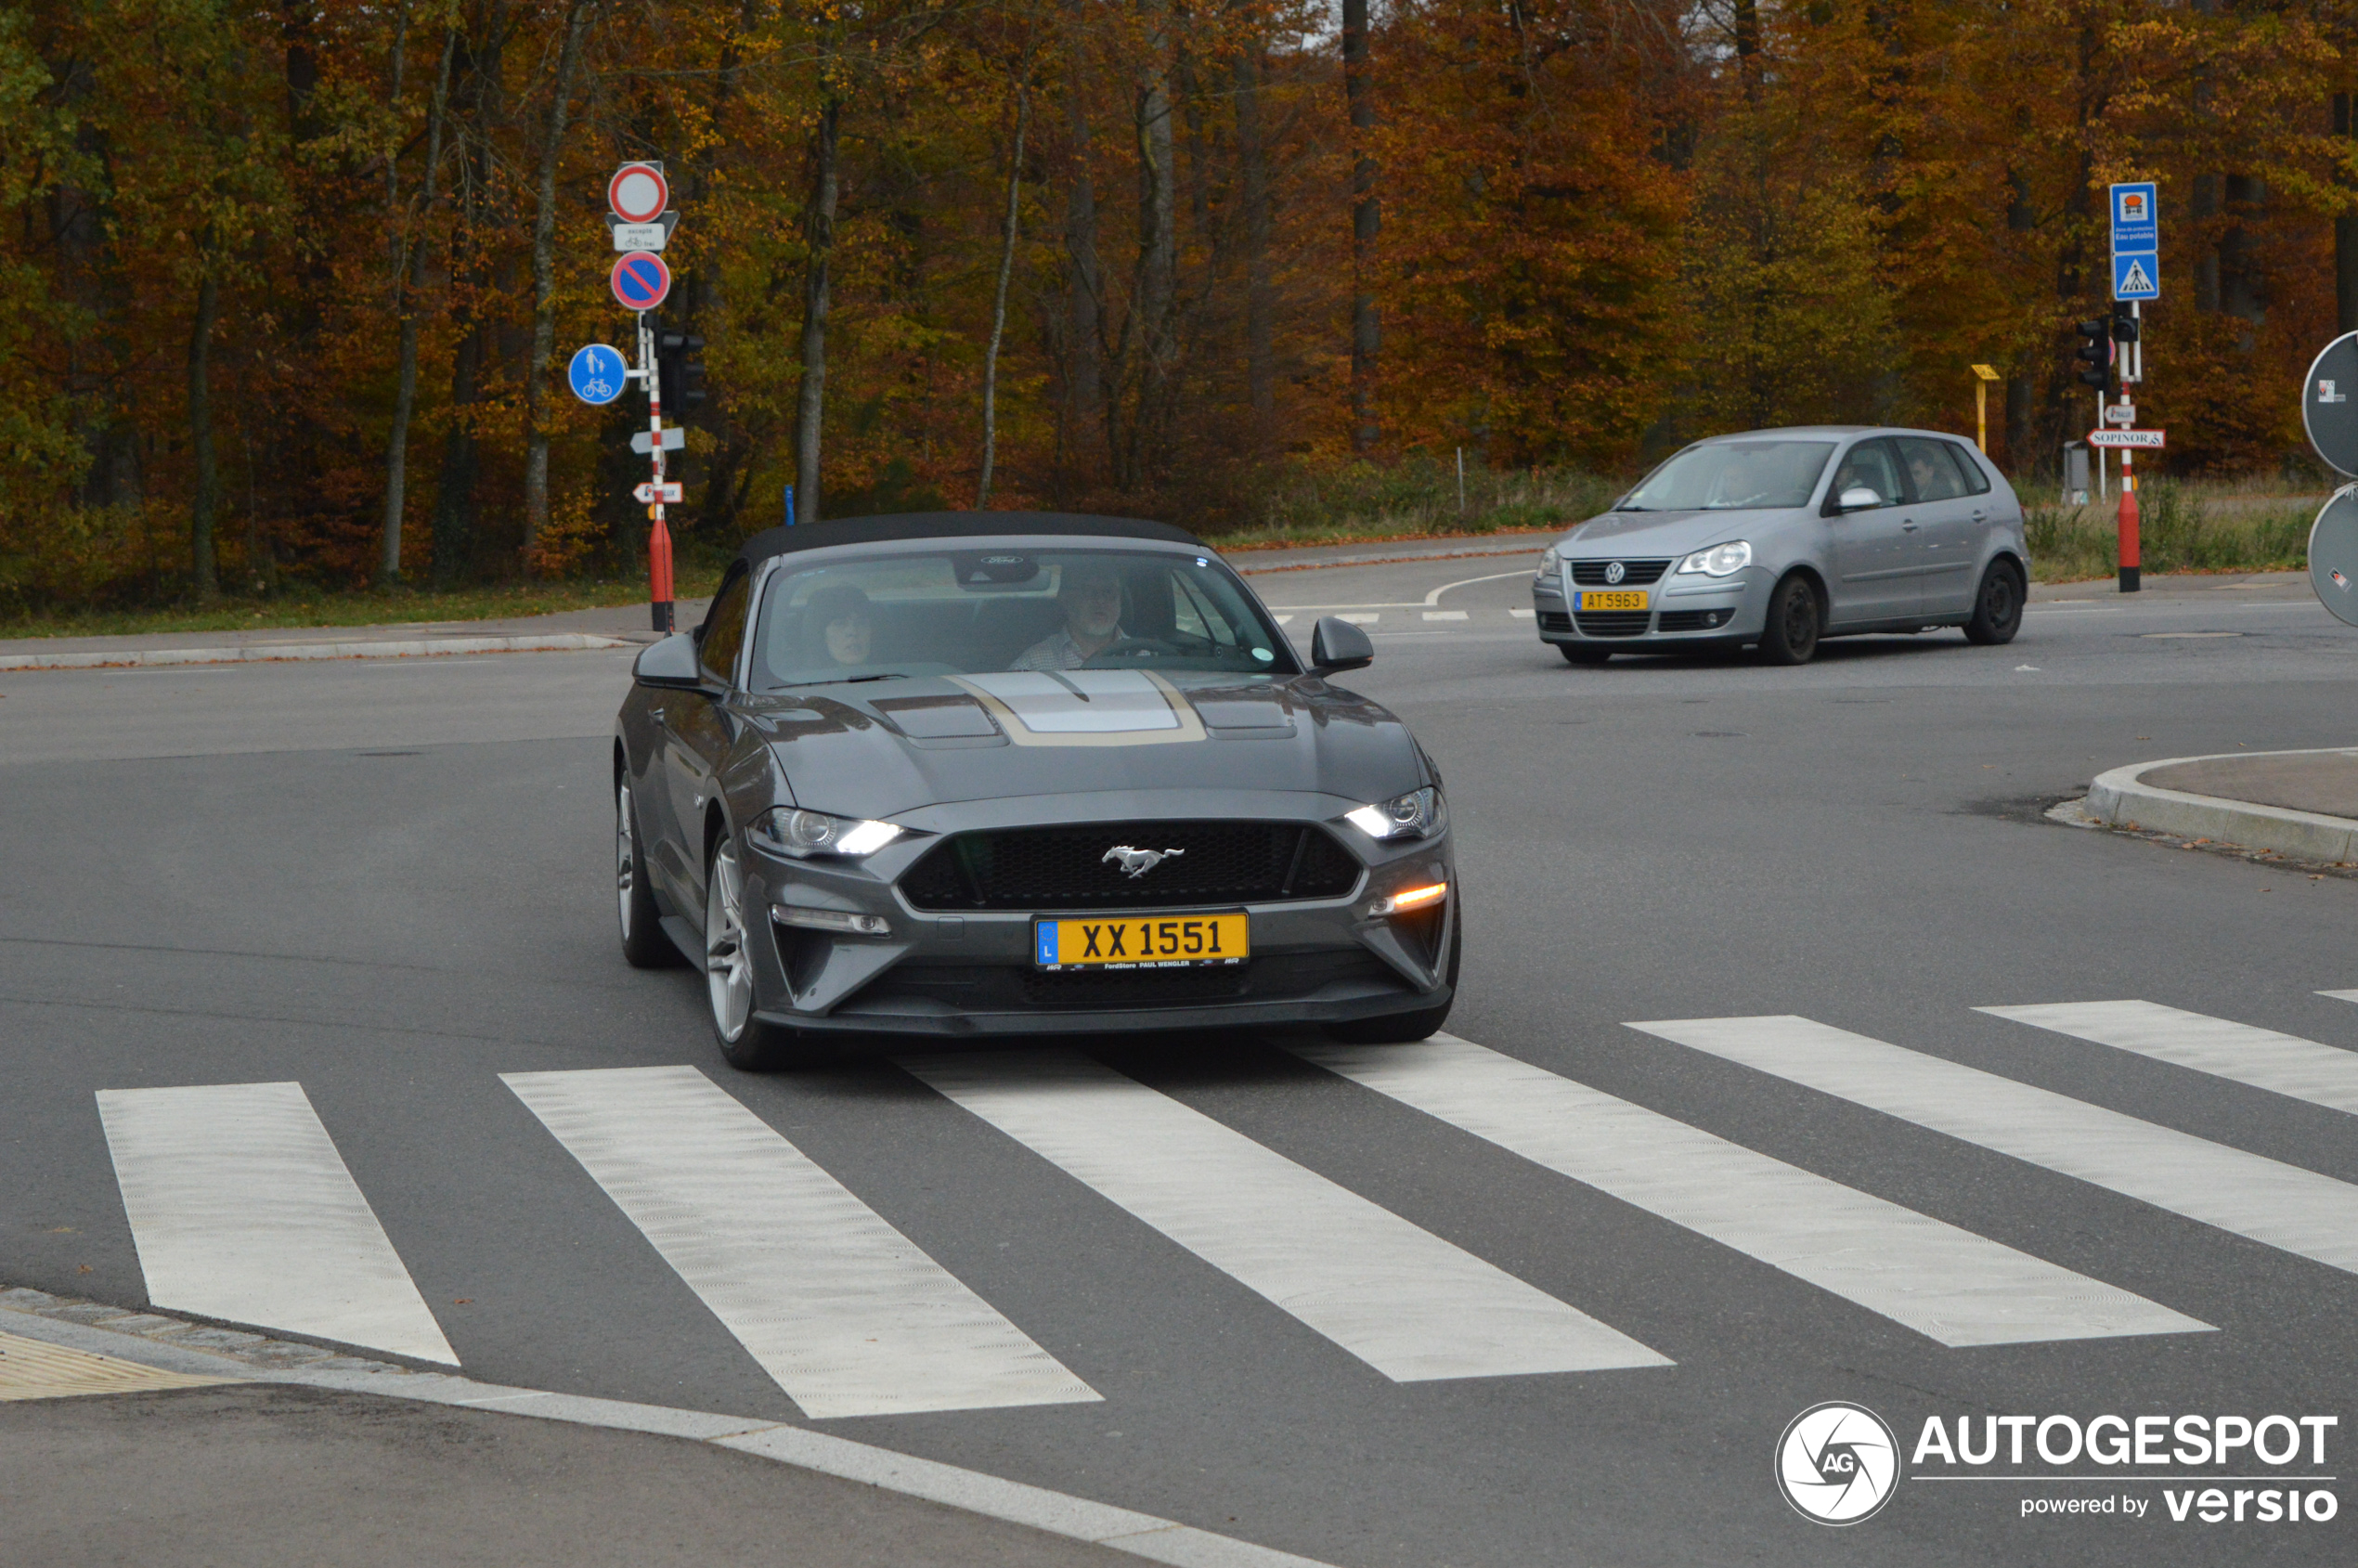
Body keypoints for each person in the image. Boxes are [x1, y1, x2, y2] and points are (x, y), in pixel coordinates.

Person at [1013, 559, 1127, 669]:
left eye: (1109, 592)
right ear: (1065, 598)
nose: (1100, 600)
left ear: (1120, 599)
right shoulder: (1033, 664)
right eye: (1088, 591)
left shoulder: (1142, 657)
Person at [801, 583, 875, 667]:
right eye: (840, 624)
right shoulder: (799, 677)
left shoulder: (892, 669)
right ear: (822, 634)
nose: (853, 632)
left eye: (861, 623)